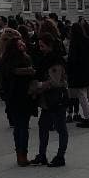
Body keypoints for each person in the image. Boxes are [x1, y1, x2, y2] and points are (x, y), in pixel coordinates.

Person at [31, 32, 68, 167]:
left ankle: (60, 156)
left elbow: (55, 81)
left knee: (60, 127)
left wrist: (39, 86)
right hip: (48, 100)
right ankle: (42, 155)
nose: (40, 48)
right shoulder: (46, 58)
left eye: (42, 46)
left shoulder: (56, 60)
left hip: (57, 98)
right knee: (43, 125)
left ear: (49, 46)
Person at [0, 33, 36, 166]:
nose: (23, 45)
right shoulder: (18, 60)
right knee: (22, 127)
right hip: (20, 97)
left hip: (17, 98)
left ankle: (20, 154)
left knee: (20, 127)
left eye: (23, 43)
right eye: (19, 44)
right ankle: (22, 154)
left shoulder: (7, 60)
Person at [67, 21, 89, 128]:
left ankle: (88, 118)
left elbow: (72, 59)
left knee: (82, 95)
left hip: (79, 72)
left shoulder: (74, 43)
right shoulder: (88, 40)